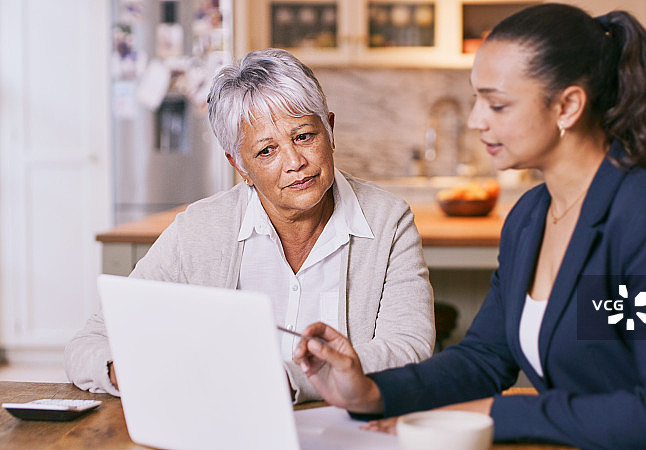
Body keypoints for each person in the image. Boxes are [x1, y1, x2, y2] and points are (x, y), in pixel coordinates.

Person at [293, 4, 646, 448]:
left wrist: (494, 413)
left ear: (567, 105)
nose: (475, 121)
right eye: (477, 100)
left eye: (497, 104)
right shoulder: (531, 215)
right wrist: (372, 392)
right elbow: (486, 358)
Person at [65, 49, 435, 404]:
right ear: (239, 165)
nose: (294, 162)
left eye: (304, 136)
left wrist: (288, 379)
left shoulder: (389, 221)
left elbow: (409, 348)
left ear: (330, 130)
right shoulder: (199, 230)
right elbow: (90, 343)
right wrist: (125, 370)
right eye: (266, 151)